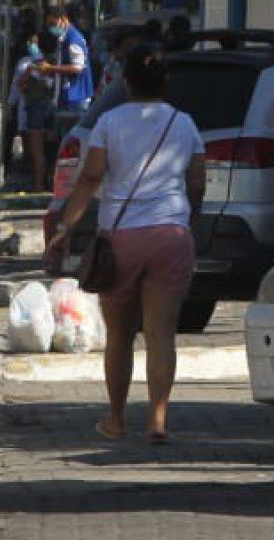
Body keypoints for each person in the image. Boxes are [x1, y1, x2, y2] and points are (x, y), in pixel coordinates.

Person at [45, 42, 205, 444]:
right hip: (171, 234)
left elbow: (90, 178)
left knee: (120, 335)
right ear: (165, 82)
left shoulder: (110, 122)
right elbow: (197, 182)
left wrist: (65, 227)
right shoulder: (184, 123)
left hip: (121, 238)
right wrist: (188, 218)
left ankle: (116, 418)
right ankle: (158, 420)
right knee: (161, 334)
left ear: (126, 82)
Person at [10, 30, 59, 191]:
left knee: (37, 152)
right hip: (52, 108)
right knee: (52, 149)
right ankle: (50, 184)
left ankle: (39, 186)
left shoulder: (29, 64)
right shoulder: (58, 62)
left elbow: (19, 84)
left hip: (35, 109)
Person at [35, 6, 93, 124]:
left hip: (75, 98)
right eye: (48, 25)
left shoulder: (73, 39)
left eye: (53, 24)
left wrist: (50, 68)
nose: (51, 28)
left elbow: (77, 68)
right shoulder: (64, 39)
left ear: (63, 19)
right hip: (67, 97)